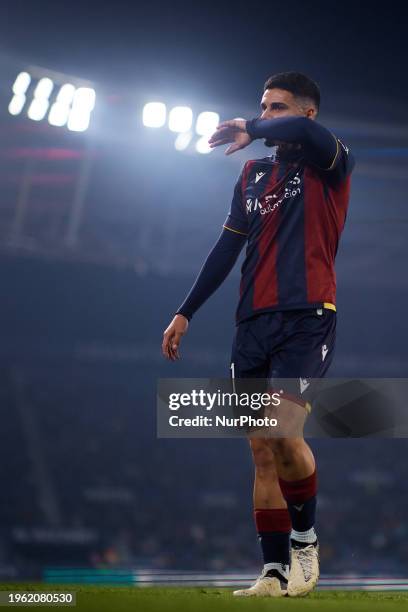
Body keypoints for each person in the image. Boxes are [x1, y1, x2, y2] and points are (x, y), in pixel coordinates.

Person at [162, 72, 355, 597]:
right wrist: (186, 312)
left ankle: (305, 542)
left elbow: (309, 137)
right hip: (251, 323)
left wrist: (251, 125)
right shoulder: (252, 174)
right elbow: (226, 249)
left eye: (276, 108)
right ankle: (271, 572)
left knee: (284, 431)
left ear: (306, 114)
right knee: (261, 450)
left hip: (307, 317)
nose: (265, 115)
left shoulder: (330, 161)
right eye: (262, 107)